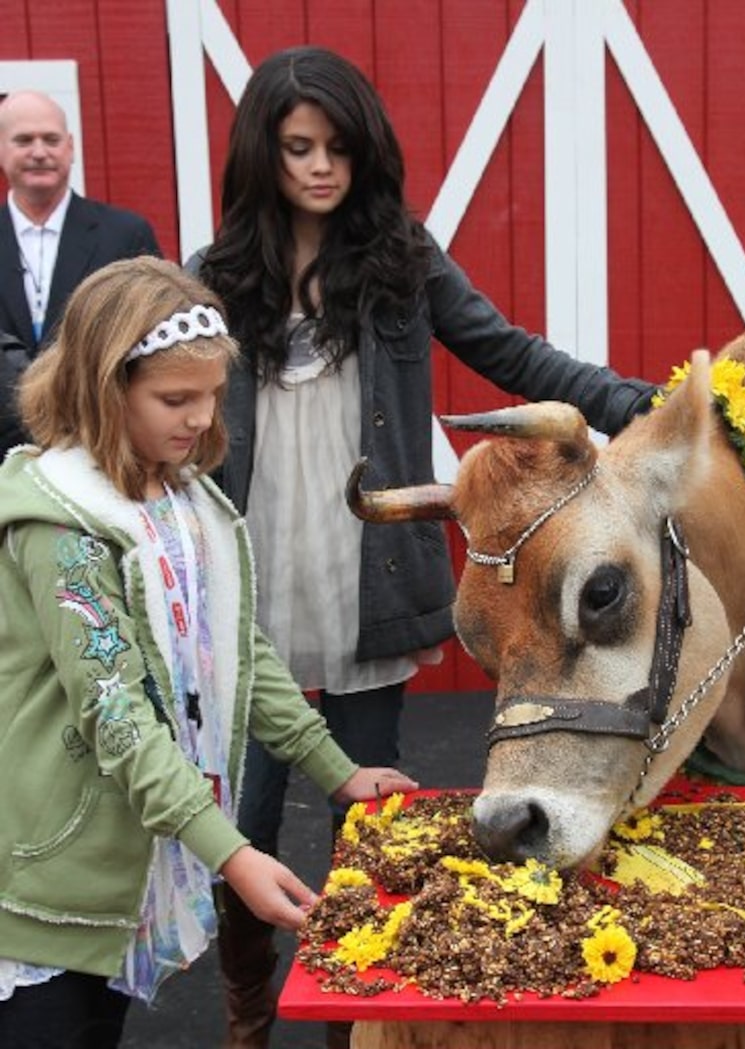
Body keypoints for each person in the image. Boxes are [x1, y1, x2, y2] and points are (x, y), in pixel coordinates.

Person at [190, 45, 657, 1048]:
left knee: (370, 822)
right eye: (299, 148)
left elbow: (509, 351)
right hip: (251, 579)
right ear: (262, 154)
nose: (322, 167)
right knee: (245, 823)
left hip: (368, 571)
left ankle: (351, 1022)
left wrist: (636, 405)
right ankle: (245, 1010)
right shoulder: (215, 279)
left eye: (339, 147)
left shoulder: (403, 262)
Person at [0, 255, 417, 1049]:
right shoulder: (62, 522)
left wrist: (335, 768)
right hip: (53, 862)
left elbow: (236, 650)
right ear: (103, 386)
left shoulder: (183, 493)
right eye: (174, 399)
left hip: (122, 852)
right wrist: (233, 856)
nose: (200, 419)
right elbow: (115, 712)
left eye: (213, 395)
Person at [0, 90, 161, 453]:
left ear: (70, 147)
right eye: (24, 140)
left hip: (99, 446)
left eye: (51, 139)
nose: (39, 152)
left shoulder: (126, 234)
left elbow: (152, 346)